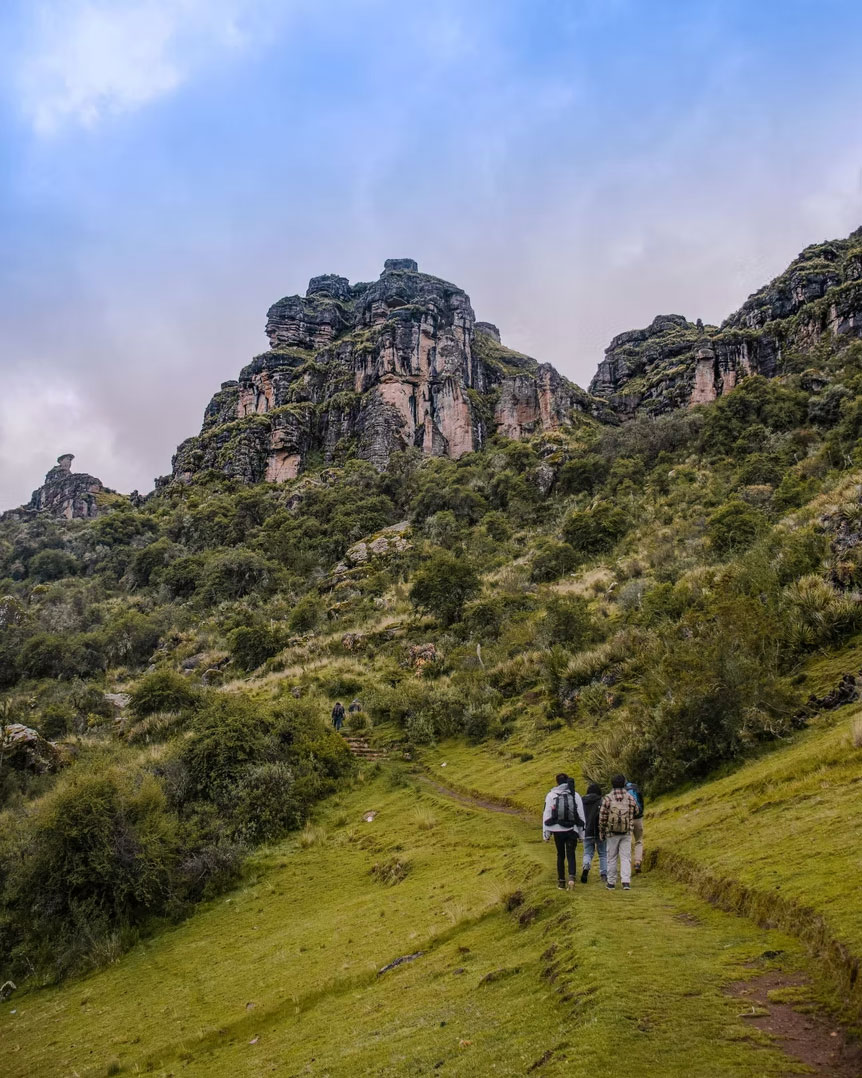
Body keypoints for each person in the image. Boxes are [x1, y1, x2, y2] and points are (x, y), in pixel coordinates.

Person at [542, 773, 585, 891]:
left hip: (557, 830)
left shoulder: (551, 795)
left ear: (557, 782)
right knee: (571, 854)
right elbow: (581, 815)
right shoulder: (575, 795)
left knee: (560, 855)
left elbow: (547, 814)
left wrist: (546, 834)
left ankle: (561, 881)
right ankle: (571, 878)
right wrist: (582, 834)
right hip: (572, 829)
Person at [598, 774, 639, 891]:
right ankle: (626, 881)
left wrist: (602, 831)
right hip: (626, 832)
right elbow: (636, 810)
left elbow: (602, 816)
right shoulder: (629, 797)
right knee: (625, 857)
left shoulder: (608, 798)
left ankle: (611, 882)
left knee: (612, 857)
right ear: (624, 784)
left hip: (611, 833)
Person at [579, 782, 606, 883]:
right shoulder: (601, 801)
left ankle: (586, 866)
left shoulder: (582, 801)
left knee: (587, 853)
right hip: (599, 830)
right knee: (603, 853)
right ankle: (604, 874)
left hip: (587, 831)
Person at [625, 779, 645, 873]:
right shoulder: (635, 787)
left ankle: (627, 866)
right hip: (638, 817)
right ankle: (637, 862)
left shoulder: (620, 791)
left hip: (627, 819)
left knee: (626, 842)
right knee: (638, 841)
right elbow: (641, 800)